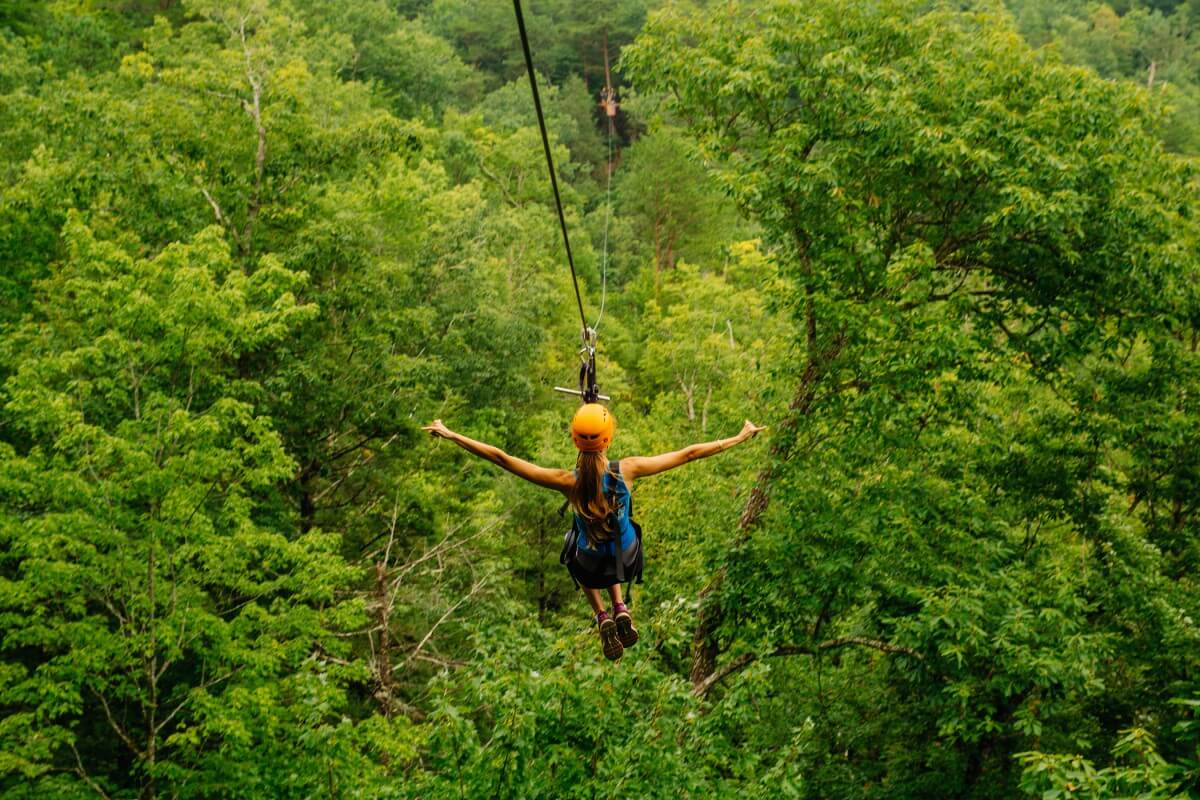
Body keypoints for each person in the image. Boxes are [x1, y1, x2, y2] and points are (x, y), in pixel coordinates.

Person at [423, 405, 765, 660]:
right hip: (626, 561)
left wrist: (451, 433)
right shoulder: (627, 470)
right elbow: (689, 454)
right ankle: (621, 606)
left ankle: (602, 613)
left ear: (575, 439)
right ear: (608, 439)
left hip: (590, 567)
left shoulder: (566, 482)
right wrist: (738, 436)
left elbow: (502, 458)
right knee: (621, 530)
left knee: (575, 542)